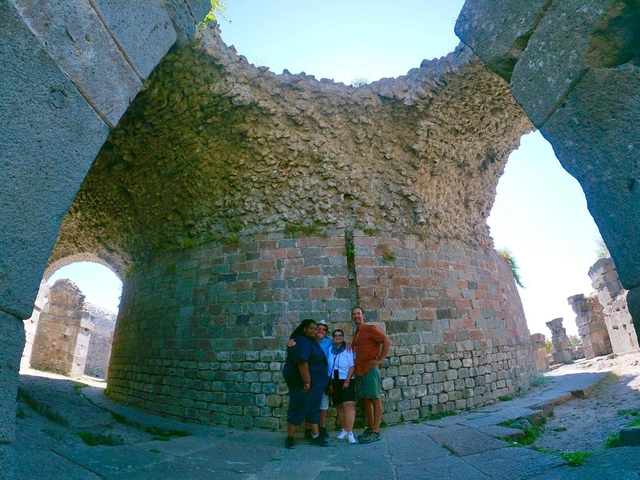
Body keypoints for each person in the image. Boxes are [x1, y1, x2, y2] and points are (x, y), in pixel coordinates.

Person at [282, 319, 330, 448]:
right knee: (299, 407)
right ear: (304, 329)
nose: (315, 331)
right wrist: (307, 381)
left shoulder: (310, 341)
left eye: (316, 329)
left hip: (316, 383)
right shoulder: (302, 341)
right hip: (304, 383)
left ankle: (315, 436)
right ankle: (290, 438)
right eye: (312, 328)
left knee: (313, 408)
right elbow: (302, 362)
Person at [351, 306, 391, 444]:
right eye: (354, 314)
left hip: (370, 369)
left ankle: (376, 430)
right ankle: (371, 426)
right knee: (366, 399)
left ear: (363, 316)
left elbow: (386, 341)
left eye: (358, 314)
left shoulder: (370, 329)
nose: (356, 316)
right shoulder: (356, 333)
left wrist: (380, 359)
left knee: (374, 398)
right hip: (360, 370)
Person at [327, 328, 357, 444]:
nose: (337, 337)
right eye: (335, 336)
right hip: (335, 380)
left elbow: (352, 366)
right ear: (333, 338)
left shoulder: (348, 349)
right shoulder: (330, 349)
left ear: (343, 337)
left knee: (348, 404)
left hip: (346, 379)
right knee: (339, 406)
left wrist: (347, 380)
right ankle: (344, 429)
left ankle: (350, 432)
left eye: (340, 335)